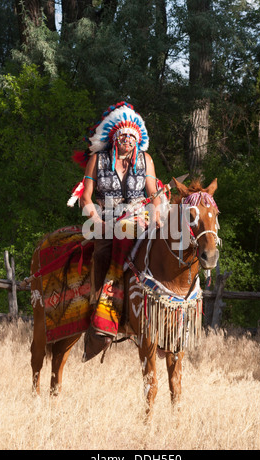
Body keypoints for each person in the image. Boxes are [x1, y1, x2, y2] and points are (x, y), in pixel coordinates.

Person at [77, 102, 162, 361]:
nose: (127, 141)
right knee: (102, 250)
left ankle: (160, 309)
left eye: (131, 137)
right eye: (122, 136)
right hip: (105, 217)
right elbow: (86, 198)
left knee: (161, 248)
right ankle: (99, 304)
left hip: (138, 217)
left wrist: (157, 213)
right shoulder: (98, 160)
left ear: (138, 140)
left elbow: (154, 195)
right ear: (114, 138)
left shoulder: (145, 160)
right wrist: (97, 220)